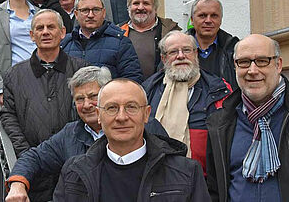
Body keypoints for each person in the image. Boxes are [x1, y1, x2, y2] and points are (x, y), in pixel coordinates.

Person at [4, 66, 167, 202]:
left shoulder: (146, 126)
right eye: (79, 99)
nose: (87, 104)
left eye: (93, 96)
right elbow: (36, 157)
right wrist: (18, 183)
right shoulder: (70, 133)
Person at [54, 78, 211, 201]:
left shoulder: (186, 172)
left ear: (146, 114)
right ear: (99, 115)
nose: (121, 117)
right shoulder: (74, 172)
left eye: (131, 107)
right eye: (111, 108)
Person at [206, 34, 289, 202]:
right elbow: (215, 189)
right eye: (244, 62)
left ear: (278, 65)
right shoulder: (219, 123)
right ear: (235, 66)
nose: (252, 71)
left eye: (262, 61)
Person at [0, 9, 87, 202]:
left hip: (75, 165)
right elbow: (9, 115)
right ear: (32, 35)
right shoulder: (15, 75)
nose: (45, 32)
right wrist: (25, 152)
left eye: (51, 27)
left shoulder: (81, 69)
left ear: (62, 32)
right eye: (40, 28)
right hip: (34, 169)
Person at [143, 31, 232, 174]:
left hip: (206, 180)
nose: (181, 56)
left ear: (196, 54)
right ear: (163, 58)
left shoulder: (219, 90)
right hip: (156, 176)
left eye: (186, 50)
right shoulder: (146, 91)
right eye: (173, 52)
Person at [61, 0, 143, 83]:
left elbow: (132, 80)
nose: (91, 15)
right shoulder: (64, 44)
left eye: (96, 10)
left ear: (103, 13)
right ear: (76, 14)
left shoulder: (121, 42)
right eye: (85, 10)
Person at [120, 0, 181, 80]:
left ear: (155, 8)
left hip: (163, 90)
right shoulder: (117, 33)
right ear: (129, 8)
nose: (140, 7)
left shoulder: (171, 31)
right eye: (136, 3)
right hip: (127, 91)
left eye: (146, 3)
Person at [188, 0, 239, 89]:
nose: (208, 20)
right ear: (192, 20)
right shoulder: (176, 50)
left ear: (221, 19)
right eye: (202, 16)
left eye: (214, 16)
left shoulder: (234, 49)